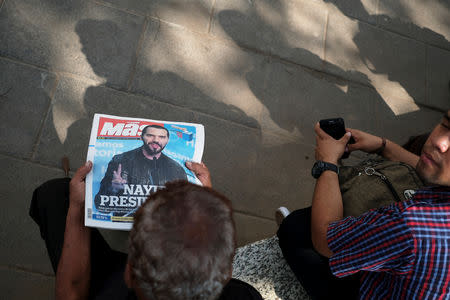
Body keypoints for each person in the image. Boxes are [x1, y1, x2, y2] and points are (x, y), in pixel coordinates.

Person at [277, 111, 450, 299]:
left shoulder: (411, 226)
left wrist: (327, 163)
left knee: (294, 227)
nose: (440, 143)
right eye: (446, 125)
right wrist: (383, 146)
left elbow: (326, 240)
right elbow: (430, 170)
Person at [30, 160, 263, 300]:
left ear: (129, 273)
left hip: (104, 283)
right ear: (227, 273)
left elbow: (70, 293)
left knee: (53, 195)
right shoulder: (244, 297)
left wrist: (78, 210)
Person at [94, 125, 187, 214]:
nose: (156, 140)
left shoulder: (176, 169)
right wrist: (113, 189)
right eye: (150, 135)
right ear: (141, 137)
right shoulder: (120, 160)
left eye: (161, 137)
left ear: (167, 140)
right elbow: (101, 207)